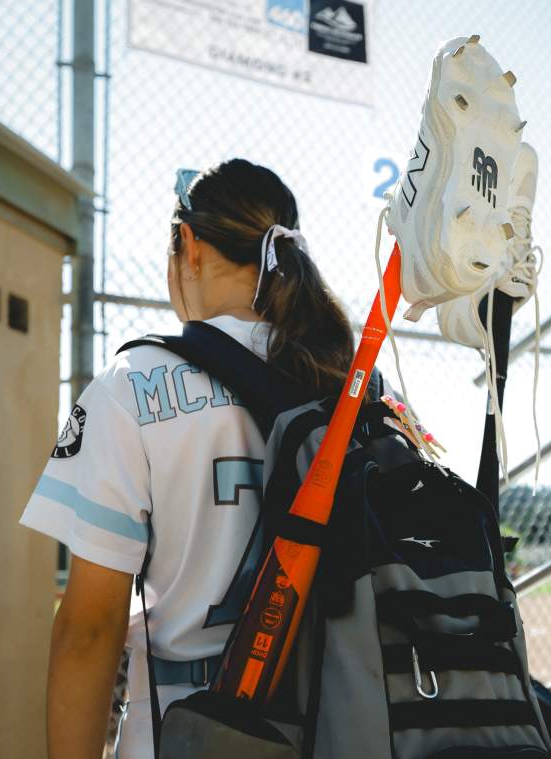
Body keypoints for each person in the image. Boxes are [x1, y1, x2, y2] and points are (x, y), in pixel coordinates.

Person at [19, 158, 355, 759]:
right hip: (341, 724)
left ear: (190, 246)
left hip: (183, 729)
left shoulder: (133, 384)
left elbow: (89, 630)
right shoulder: (355, 385)